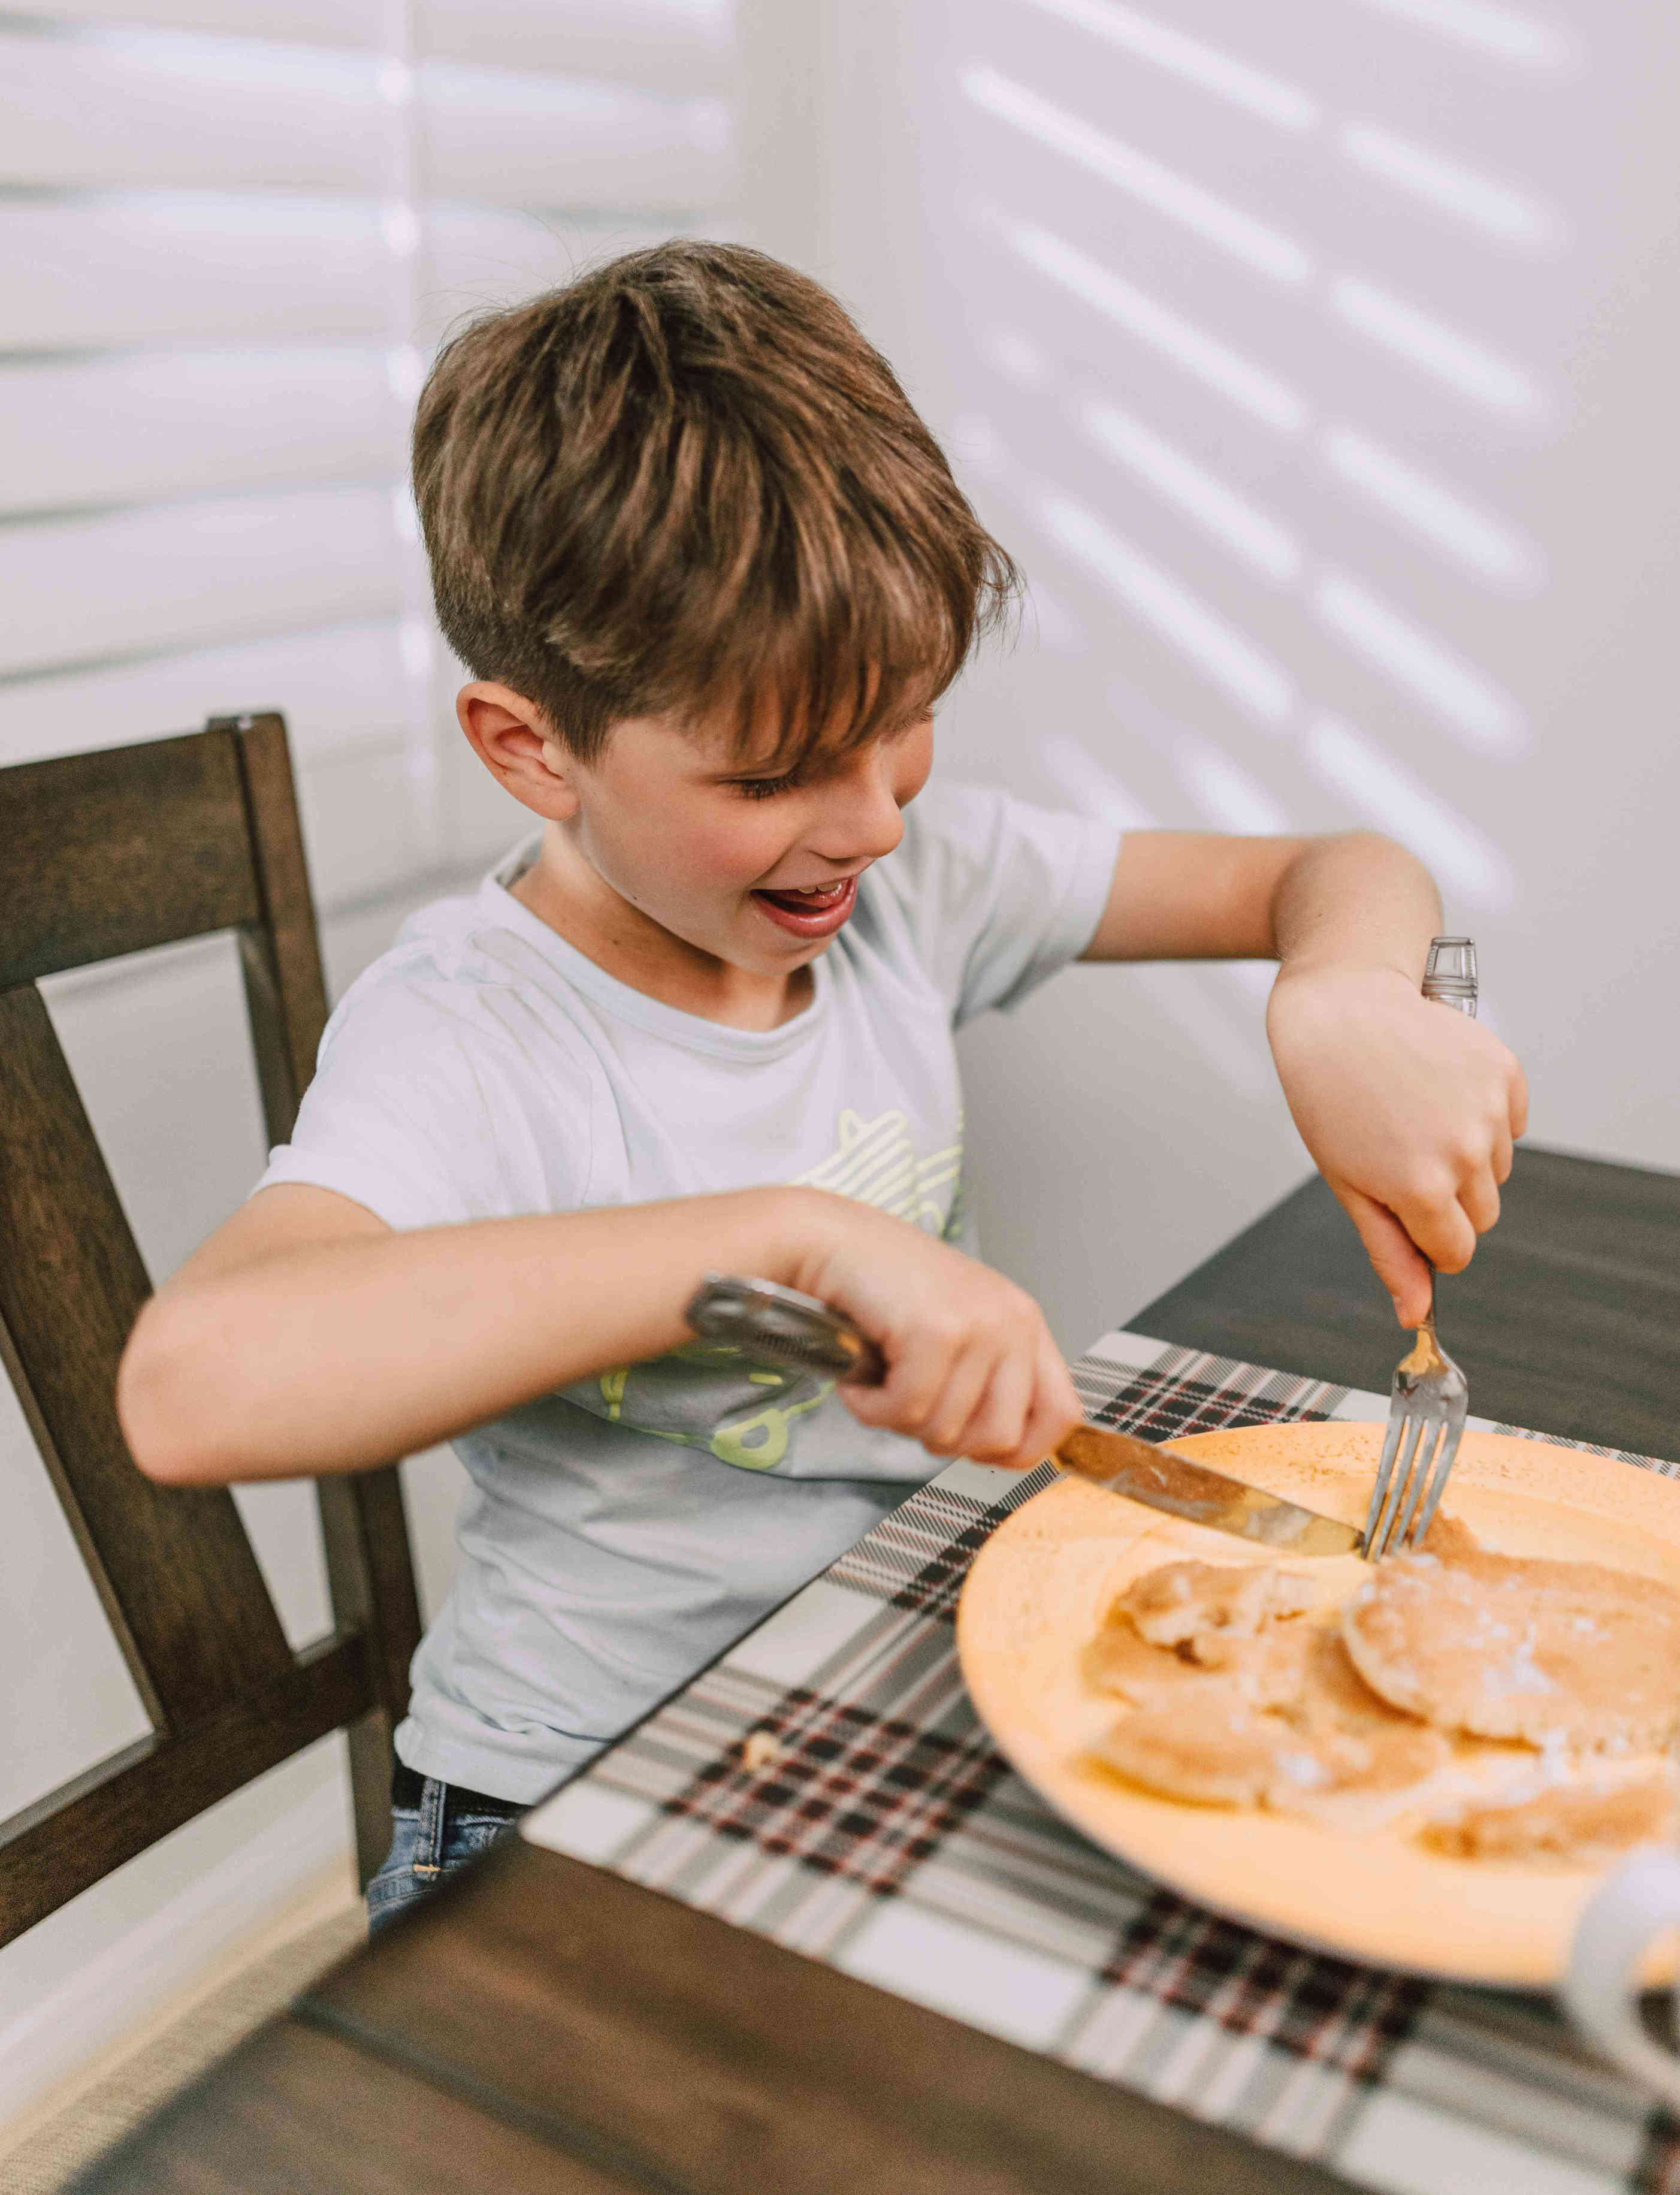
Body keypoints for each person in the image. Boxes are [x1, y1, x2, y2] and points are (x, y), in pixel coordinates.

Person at [116, 243, 1527, 1926]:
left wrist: (1338, 1000)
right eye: (779, 771)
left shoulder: (909, 885)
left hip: (875, 1680)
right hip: (562, 1795)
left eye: (904, 725)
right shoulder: (474, 1025)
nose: (868, 818)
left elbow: (1334, 865)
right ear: (532, 748)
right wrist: (781, 1237)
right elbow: (191, 1390)